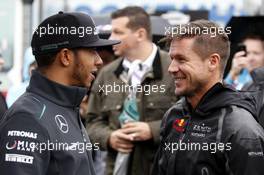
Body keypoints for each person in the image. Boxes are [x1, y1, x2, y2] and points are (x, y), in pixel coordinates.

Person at [0, 11, 119, 175]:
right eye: (92, 51)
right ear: (65, 57)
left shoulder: (66, 105)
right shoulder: (27, 117)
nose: (98, 61)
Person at [152, 19, 264, 175]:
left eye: (181, 59)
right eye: (172, 59)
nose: (171, 68)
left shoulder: (240, 128)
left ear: (212, 62)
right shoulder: (174, 114)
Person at [86, 6, 177, 175]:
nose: (111, 38)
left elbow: (190, 121)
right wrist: (109, 138)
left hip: (160, 168)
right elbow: (91, 123)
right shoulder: (106, 74)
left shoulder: (173, 69)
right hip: (114, 169)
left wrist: (154, 130)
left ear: (140, 34)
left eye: (118, 32)